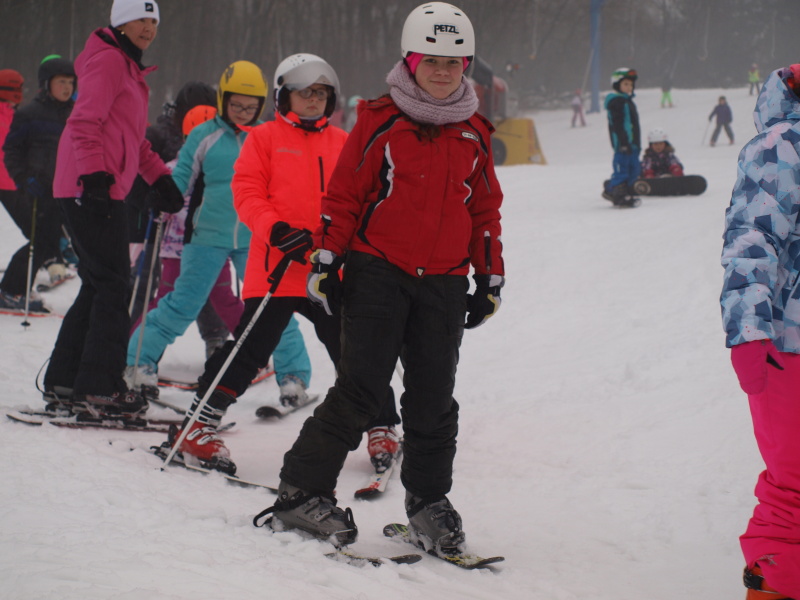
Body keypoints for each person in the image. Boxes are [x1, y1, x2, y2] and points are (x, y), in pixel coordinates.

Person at [258, 2, 504, 553]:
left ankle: (428, 503)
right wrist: (326, 259)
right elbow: (345, 195)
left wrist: (489, 276)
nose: (442, 72)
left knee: (434, 399)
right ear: (411, 61)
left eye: (453, 62)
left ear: (465, 66)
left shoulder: (475, 131)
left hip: (444, 281)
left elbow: (484, 209)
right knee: (362, 389)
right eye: (431, 61)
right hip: (378, 272)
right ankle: (301, 492)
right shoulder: (380, 119)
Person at [161, 53, 386, 475]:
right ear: (284, 97)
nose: (313, 100)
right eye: (304, 93)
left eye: (321, 93)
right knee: (250, 350)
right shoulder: (263, 138)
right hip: (276, 268)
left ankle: (382, 425)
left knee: (355, 350)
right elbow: (246, 192)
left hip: (327, 270)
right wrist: (277, 230)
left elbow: (363, 198)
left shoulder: (343, 142)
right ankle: (199, 425)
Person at [125, 60, 312, 407]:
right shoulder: (203, 135)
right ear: (223, 99)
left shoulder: (266, 136)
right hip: (206, 235)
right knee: (182, 303)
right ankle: (139, 363)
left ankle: (293, 377)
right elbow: (183, 175)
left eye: (251, 107)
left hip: (254, 238)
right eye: (236, 105)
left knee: (272, 306)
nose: (243, 113)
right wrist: (166, 194)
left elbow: (286, 181)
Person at [42, 0, 184, 415]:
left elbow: (132, 140)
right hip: (90, 186)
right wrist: (95, 177)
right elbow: (84, 123)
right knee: (113, 284)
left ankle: (66, 379)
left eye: (153, 20)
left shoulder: (128, 68)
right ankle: (100, 386)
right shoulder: (108, 61)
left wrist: (161, 179)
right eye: (141, 19)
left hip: (100, 186)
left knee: (98, 282)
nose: (148, 27)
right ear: (121, 22)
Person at [721, 64, 800, 600]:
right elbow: (752, 237)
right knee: (795, 485)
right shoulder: (782, 144)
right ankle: (774, 583)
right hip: (790, 347)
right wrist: (749, 329)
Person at [1, 56, 76, 314]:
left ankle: (16, 288)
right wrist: (24, 179)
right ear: (46, 84)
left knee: (48, 242)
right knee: (40, 240)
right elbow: (11, 150)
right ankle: (11, 290)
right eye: (61, 82)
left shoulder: (74, 115)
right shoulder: (29, 114)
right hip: (37, 189)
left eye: (71, 83)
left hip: (62, 190)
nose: (67, 88)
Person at [602, 67, 641, 206]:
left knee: (634, 169)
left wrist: (636, 143)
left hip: (633, 144)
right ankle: (616, 192)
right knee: (622, 168)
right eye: (625, 84)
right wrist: (623, 142)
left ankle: (627, 191)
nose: (629, 87)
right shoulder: (616, 102)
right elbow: (617, 124)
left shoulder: (628, 101)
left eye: (631, 84)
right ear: (617, 84)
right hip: (622, 144)